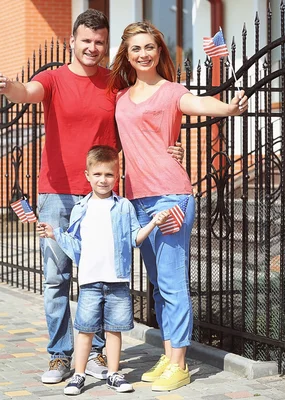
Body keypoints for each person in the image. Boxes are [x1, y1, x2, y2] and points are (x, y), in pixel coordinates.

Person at [0, 10, 183, 384]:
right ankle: (60, 356)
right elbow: (25, 92)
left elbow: (147, 117)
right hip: (58, 193)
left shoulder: (115, 85)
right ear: (72, 43)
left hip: (105, 197)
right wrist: (6, 86)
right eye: (86, 41)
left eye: (99, 42)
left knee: (106, 277)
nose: (93, 48)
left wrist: (170, 149)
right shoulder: (53, 78)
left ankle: (95, 354)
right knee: (57, 277)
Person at [107, 21, 248, 392]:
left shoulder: (172, 91)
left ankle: (180, 364)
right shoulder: (120, 97)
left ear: (159, 52)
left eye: (149, 47)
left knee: (172, 284)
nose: (143, 54)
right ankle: (169, 356)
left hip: (170, 195)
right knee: (157, 286)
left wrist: (229, 108)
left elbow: (198, 103)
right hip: (137, 199)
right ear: (127, 53)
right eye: (136, 48)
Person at [37, 145, 169, 395]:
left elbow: (134, 238)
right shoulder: (81, 208)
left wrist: (152, 223)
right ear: (87, 175)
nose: (103, 180)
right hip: (89, 281)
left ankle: (114, 373)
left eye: (108, 174)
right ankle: (78, 375)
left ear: (117, 176)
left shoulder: (124, 207)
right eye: (97, 174)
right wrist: (54, 234)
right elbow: (76, 245)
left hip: (117, 280)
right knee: (85, 329)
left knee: (114, 330)